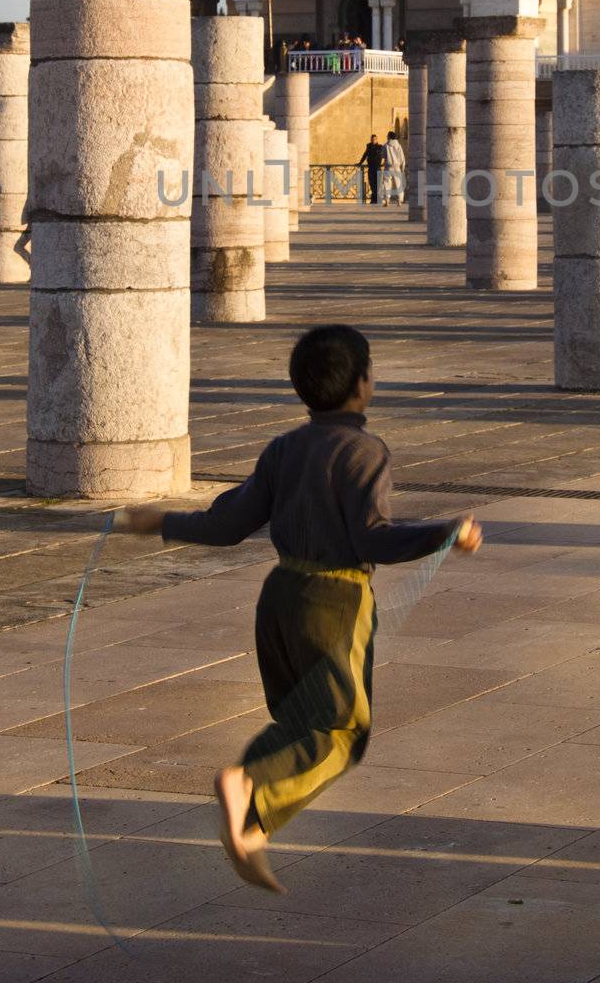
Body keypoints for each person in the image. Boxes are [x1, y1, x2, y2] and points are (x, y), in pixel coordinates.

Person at [114, 324, 482, 892]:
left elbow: (228, 524)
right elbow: (372, 540)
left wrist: (160, 521)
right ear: (362, 385)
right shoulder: (364, 450)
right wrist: (444, 533)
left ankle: (251, 830)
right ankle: (248, 787)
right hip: (334, 602)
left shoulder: (283, 448)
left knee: (297, 724)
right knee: (340, 732)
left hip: (279, 597)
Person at [379, 129, 405, 207]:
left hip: (388, 166)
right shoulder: (398, 145)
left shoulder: (385, 145)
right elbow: (402, 157)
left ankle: (387, 199)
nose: (386, 137)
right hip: (397, 167)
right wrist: (403, 167)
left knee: (387, 183)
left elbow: (382, 155)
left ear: (389, 137)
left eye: (387, 135)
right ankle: (399, 200)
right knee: (398, 184)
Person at [357, 133, 385, 204]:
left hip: (377, 167)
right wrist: (360, 162)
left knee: (377, 184)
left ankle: (376, 199)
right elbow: (365, 154)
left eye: (374, 139)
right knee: (372, 183)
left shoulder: (380, 147)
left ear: (376, 140)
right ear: (371, 139)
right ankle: (375, 199)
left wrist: (383, 163)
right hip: (371, 167)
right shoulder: (369, 146)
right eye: (372, 139)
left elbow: (382, 156)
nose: (373, 141)